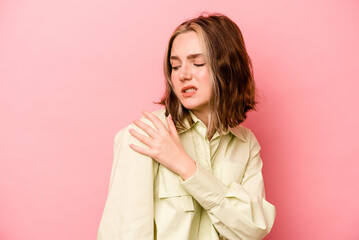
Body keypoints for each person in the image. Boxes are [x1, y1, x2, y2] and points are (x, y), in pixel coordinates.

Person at [97, 13, 276, 240]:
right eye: (175, 66)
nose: (183, 75)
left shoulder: (246, 144)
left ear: (227, 68)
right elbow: (123, 234)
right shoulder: (145, 136)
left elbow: (254, 229)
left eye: (198, 63)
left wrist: (185, 166)